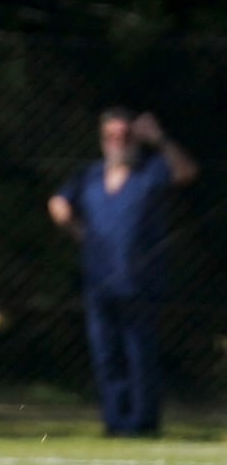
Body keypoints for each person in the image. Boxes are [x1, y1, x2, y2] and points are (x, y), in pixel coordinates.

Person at [47, 106, 198, 437]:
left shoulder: (151, 171)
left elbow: (186, 172)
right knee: (106, 357)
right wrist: (75, 228)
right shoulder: (90, 176)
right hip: (98, 282)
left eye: (125, 135)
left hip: (140, 285)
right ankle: (115, 423)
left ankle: (142, 424)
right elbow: (58, 202)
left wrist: (159, 139)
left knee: (139, 356)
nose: (118, 141)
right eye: (111, 135)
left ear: (135, 137)